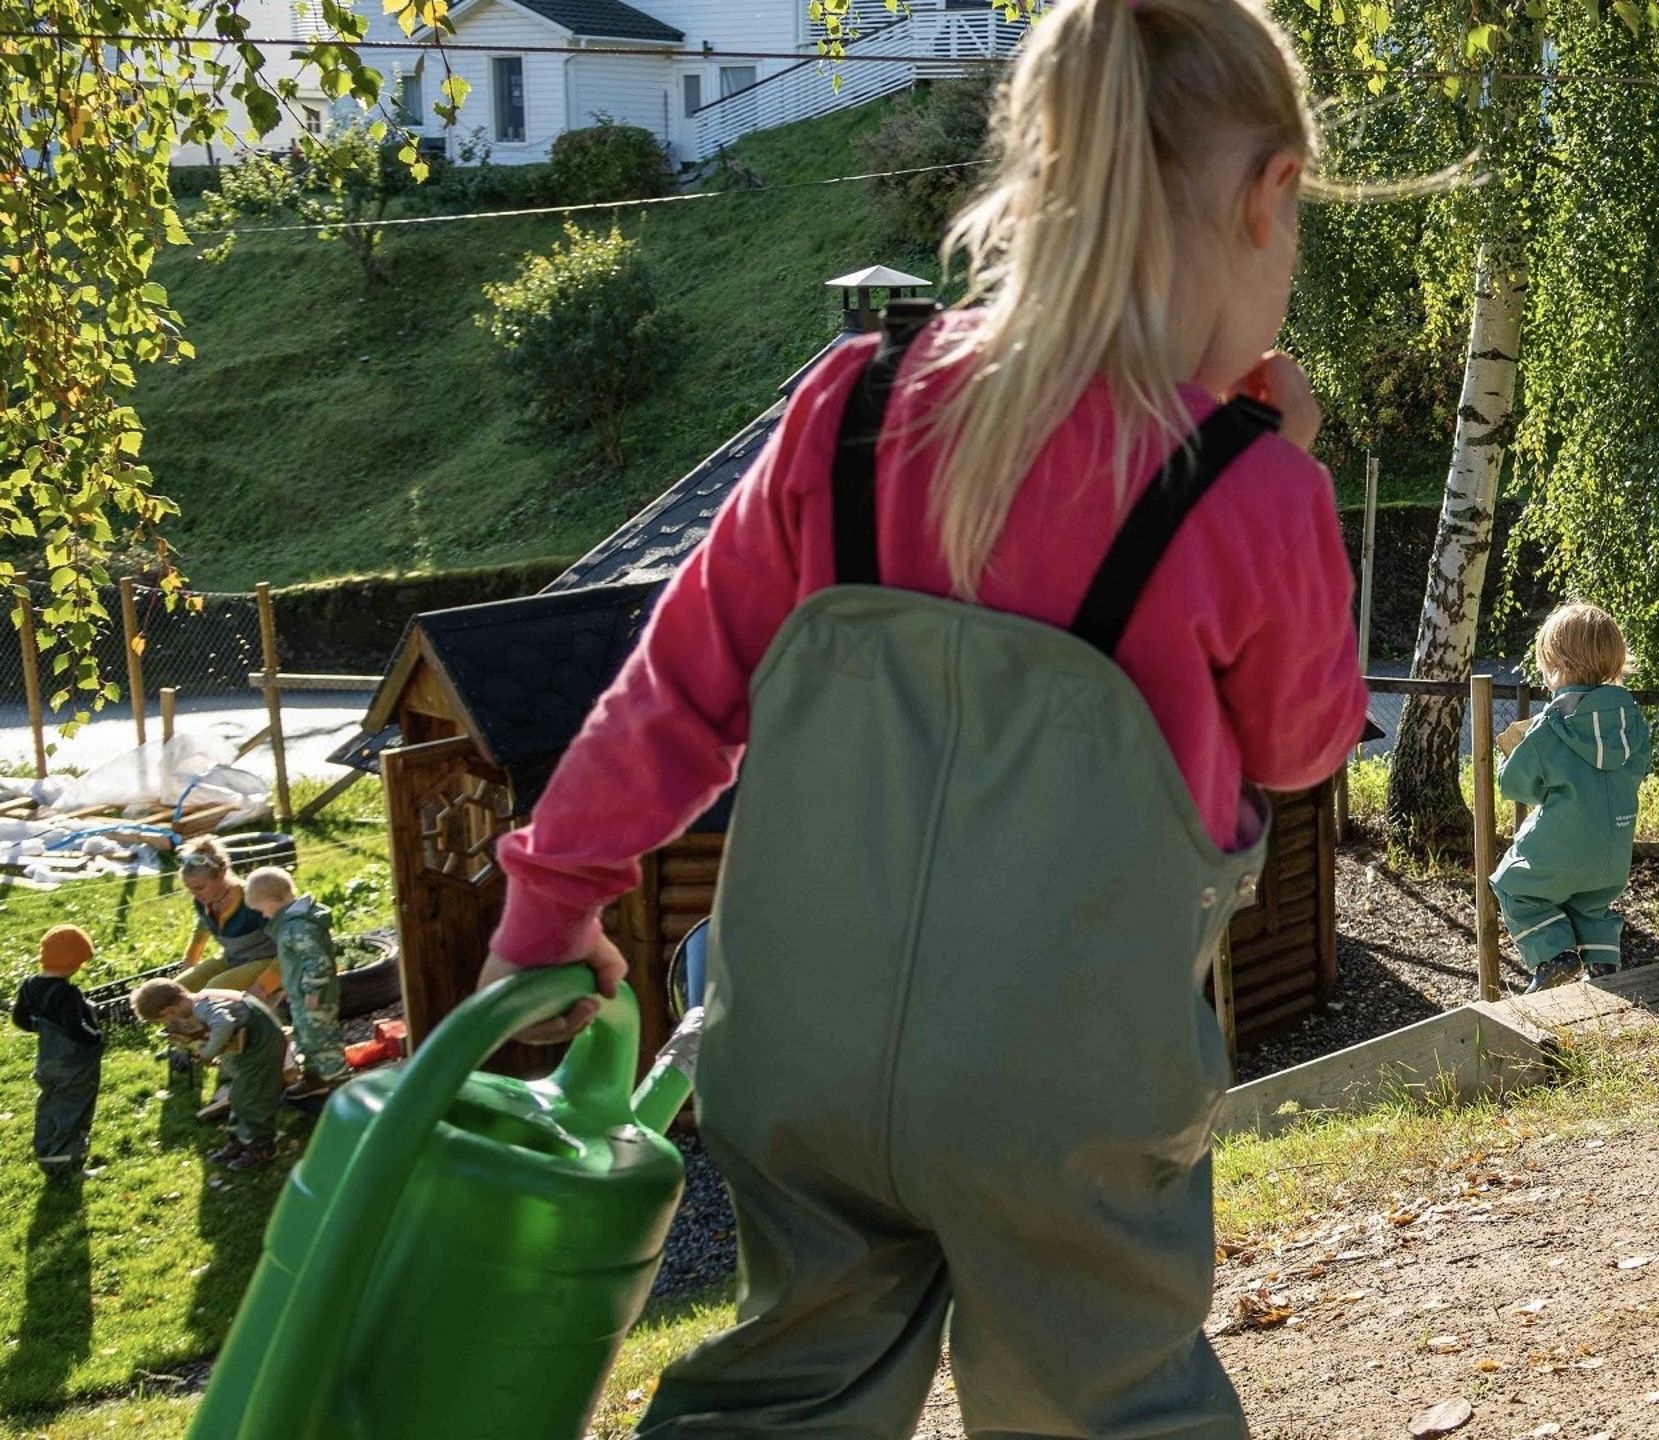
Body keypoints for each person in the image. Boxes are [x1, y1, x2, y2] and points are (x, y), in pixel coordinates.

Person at [473, 0, 1366, 1431]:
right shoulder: (1247, 490)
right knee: (1102, 1393)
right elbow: (1302, 744)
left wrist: (555, 892)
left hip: (795, 1049)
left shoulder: (855, 402)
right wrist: (1290, 483)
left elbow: (681, 681)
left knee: (788, 1385)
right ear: (1269, 199)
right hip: (1061, 1089)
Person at [1490, 604, 1652, 993]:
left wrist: (1510, 757)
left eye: (1546, 665)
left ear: (1559, 664)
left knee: (1514, 885)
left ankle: (1554, 955)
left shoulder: (1553, 723)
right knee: (1591, 904)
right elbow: (1640, 767)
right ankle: (1604, 962)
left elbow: (1516, 784)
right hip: (1613, 849)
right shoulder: (1630, 719)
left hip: (1563, 845)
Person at [133, 979, 289, 1171]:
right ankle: (239, 1140)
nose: (170, 1022)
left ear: (169, 1010)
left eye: (166, 1019)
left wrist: (208, 1052)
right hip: (251, 1043)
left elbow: (224, 1023)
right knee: (239, 1095)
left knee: (252, 1097)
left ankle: (262, 1147)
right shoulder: (200, 1001)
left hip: (262, 1044)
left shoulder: (201, 1007)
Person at [243, 866, 348, 1099]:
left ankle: (340, 1085)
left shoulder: (297, 927)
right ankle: (315, 1078)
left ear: (273, 900)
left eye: (261, 910)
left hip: (315, 998)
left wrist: (312, 991)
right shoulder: (289, 924)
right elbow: (296, 963)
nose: (263, 915)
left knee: (322, 1040)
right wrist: (294, 990)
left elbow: (317, 961)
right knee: (305, 1037)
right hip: (302, 995)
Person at [12, 925, 103, 1178]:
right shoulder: (68, 994)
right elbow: (76, 1030)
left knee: (51, 1103)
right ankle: (68, 1165)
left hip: (48, 1061)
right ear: (73, 963)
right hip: (73, 1064)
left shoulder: (29, 985)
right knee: (74, 1107)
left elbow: (19, 1019)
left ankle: (47, 1154)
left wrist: (41, 1027)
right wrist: (96, 1038)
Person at [174, 837, 279, 1001]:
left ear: (222, 874)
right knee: (174, 993)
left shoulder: (252, 899)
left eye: (200, 887)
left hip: (269, 960)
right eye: (189, 888)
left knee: (211, 994)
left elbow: (291, 947)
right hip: (233, 958)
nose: (195, 894)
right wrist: (189, 963)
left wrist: (263, 986)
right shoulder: (202, 902)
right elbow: (202, 929)